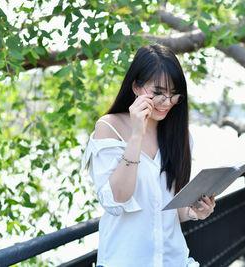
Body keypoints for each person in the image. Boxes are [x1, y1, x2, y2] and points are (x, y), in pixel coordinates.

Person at [81, 44, 216, 267]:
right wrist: (136, 135)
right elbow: (117, 199)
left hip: (174, 261)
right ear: (136, 86)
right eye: (159, 93)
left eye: (174, 95)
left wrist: (196, 211)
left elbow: (174, 209)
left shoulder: (179, 135)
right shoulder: (109, 127)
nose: (167, 103)